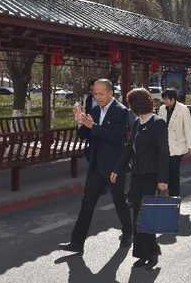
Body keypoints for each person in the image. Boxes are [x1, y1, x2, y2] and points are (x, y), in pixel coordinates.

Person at [59, 79, 132, 255]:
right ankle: (77, 243)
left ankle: (128, 233)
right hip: (96, 166)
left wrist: (92, 125)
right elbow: (84, 134)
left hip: (114, 166)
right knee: (87, 203)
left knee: (119, 201)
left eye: (101, 93)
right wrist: (80, 122)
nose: (97, 97)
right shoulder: (94, 110)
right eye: (95, 93)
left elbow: (116, 136)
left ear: (110, 93)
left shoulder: (121, 111)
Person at [111, 88, 169, 271]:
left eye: (131, 104)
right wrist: (117, 169)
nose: (129, 108)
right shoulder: (137, 122)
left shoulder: (158, 123)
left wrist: (163, 180)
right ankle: (141, 254)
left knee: (146, 216)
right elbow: (129, 147)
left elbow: (164, 152)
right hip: (137, 175)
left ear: (138, 104)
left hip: (152, 176)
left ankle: (152, 253)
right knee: (137, 215)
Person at [158, 89, 191, 197]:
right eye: (164, 98)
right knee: (165, 169)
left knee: (173, 170)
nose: (165, 100)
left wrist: (190, 145)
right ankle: (167, 191)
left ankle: (174, 194)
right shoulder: (162, 109)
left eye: (167, 98)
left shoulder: (183, 109)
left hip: (178, 145)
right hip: (165, 144)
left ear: (173, 98)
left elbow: (188, 127)